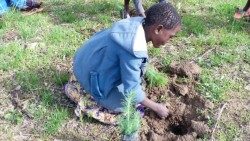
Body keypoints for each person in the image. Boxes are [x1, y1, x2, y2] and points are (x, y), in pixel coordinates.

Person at [66, 2, 181, 119]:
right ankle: (86, 95)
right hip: (89, 75)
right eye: (170, 36)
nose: (169, 41)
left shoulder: (136, 23)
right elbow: (132, 91)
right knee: (128, 107)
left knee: (135, 84)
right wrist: (157, 107)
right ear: (158, 29)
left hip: (83, 61)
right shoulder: (132, 50)